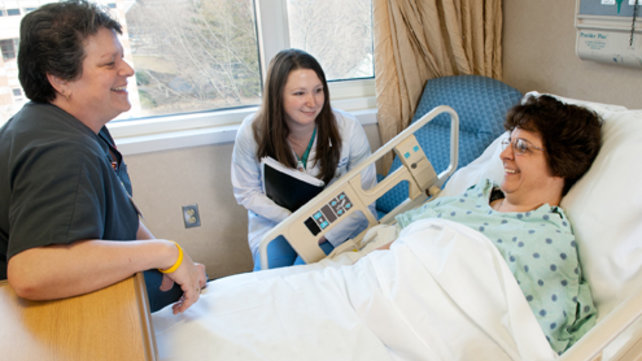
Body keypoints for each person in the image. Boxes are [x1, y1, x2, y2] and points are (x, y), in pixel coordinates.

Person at [0, 0, 206, 314]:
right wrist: (164, 253)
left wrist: (171, 263)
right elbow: (32, 272)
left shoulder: (74, 123)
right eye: (110, 63)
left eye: (122, 57)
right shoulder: (62, 151)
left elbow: (119, 205)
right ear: (60, 79)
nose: (128, 70)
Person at [378, 94, 603, 354]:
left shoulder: (547, 241)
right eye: (509, 142)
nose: (505, 154)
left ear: (562, 162)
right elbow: (406, 238)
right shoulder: (477, 193)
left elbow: (522, 339)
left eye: (522, 147)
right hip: (377, 290)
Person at [231, 48, 377, 270]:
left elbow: (364, 193)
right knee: (269, 275)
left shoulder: (348, 127)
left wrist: (321, 232)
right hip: (279, 220)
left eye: (318, 90)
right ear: (276, 95)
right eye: (299, 93)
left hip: (338, 219)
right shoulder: (253, 131)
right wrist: (294, 222)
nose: (312, 102)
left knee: (303, 273)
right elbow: (247, 191)